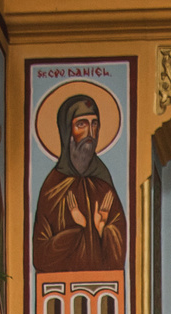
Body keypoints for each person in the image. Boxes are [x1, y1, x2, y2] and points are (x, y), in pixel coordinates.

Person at [31, 93, 128, 273]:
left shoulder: (104, 184)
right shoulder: (52, 188)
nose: (90, 133)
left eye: (94, 124)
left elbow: (118, 257)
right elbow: (40, 256)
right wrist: (78, 229)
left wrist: (102, 230)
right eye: (81, 124)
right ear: (67, 130)